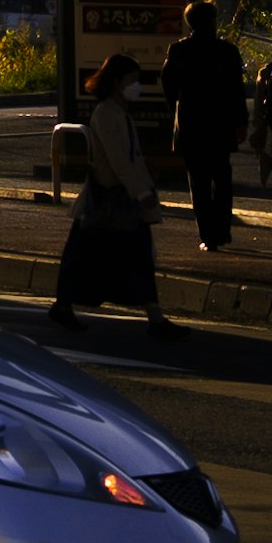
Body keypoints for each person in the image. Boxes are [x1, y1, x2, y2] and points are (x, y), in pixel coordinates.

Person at [51, 48, 169, 336]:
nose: (137, 85)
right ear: (117, 81)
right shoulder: (107, 113)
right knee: (104, 255)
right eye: (133, 79)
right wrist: (142, 192)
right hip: (110, 198)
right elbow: (119, 160)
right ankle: (154, 318)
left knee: (93, 255)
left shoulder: (117, 112)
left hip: (113, 198)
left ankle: (154, 317)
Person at [159, 0, 246, 251]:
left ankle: (208, 235)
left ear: (189, 22)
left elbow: (168, 85)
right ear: (213, 20)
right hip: (221, 124)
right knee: (222, 178)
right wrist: (241, 122)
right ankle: (223, 229)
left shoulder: (179, 50)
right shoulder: (227, 51)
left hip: (191, 124)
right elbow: (237, 91)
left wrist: (178, 105)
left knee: (198, 181)